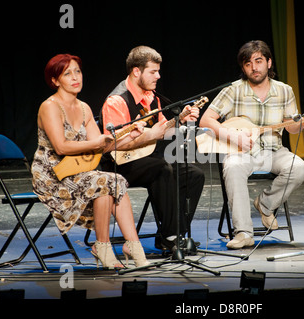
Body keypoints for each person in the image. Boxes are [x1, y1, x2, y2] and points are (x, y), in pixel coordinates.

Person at [32, 54, 149, 269]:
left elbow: (101, 145)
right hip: (53, 175)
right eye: (67, 74)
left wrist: (128, 135)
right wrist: (99, 141)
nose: (75, 77)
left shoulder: (84, 108)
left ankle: (133, 245)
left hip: (78, 172)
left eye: (78, 71)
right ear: (55, 80)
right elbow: (61, 147)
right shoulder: (49, 106)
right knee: (102, 182)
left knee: (115, 180)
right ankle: (102, 247)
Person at [200, 40, 304, 249]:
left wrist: (302, 125)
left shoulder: (284, 91)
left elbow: (291, 127)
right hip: (242, 151)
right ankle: (243, 232)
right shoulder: (233, 90)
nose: (254, 67)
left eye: (259, 61)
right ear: (243, 67)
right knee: (234, 167)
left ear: (269, 63)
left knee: (299, 168)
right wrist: (232, 137)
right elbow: (206, 120)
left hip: (274, 151)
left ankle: (265, 204)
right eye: (248, 63)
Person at [101, 45, 205, 252]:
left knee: (194, 174)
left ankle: (174, 235)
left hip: (146, 159)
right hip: (118, 164)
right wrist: (150, 134)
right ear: (136, 71)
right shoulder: (116, 101)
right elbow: (111, 144)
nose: (158, 76)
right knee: (161, 169)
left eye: (158, 71)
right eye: (153, 71)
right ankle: (170, 237)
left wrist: (180, 121)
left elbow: (162, 130)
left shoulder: (151, 97)